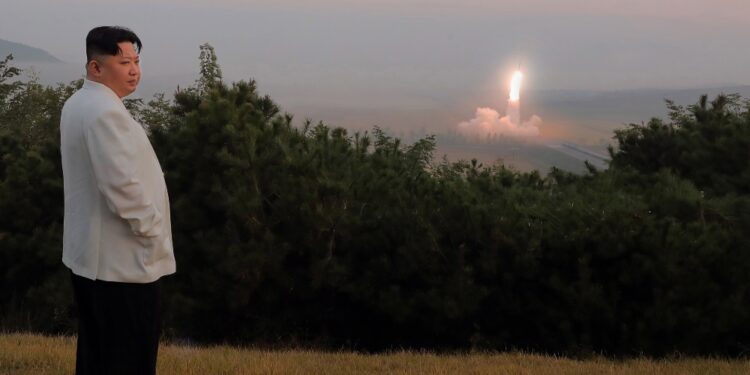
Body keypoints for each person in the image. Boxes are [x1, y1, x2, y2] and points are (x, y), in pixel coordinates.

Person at [59, 26, 176, 375]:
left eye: (137, 61)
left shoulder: (79, 103)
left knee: (99, 354)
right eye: (124, 62)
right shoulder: (103, 112)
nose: (134, 70)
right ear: (95, 67)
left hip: (94, 260)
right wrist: (152, 230)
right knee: (128, 358)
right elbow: (122, 187)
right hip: (120, 263)